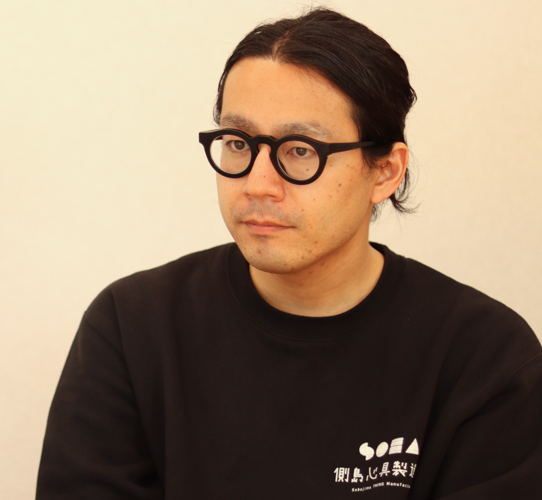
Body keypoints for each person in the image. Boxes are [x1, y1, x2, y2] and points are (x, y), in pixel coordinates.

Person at [36, 8, 542, 499]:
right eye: (238, 142)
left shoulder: (485, 357)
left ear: (385, 171)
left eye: (301, 150)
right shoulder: (132, 327)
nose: (258, 184)